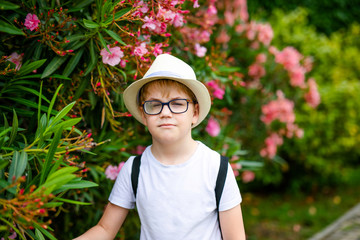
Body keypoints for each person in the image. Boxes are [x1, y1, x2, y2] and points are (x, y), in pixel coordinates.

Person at [74, 54, 246, 240]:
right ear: (143, 114)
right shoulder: (135, 169)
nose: (165, 112)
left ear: (195, 113)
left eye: (177, 104)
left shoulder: (216, 167)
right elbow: (105, 229)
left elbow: (235, 237)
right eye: (154, 105)